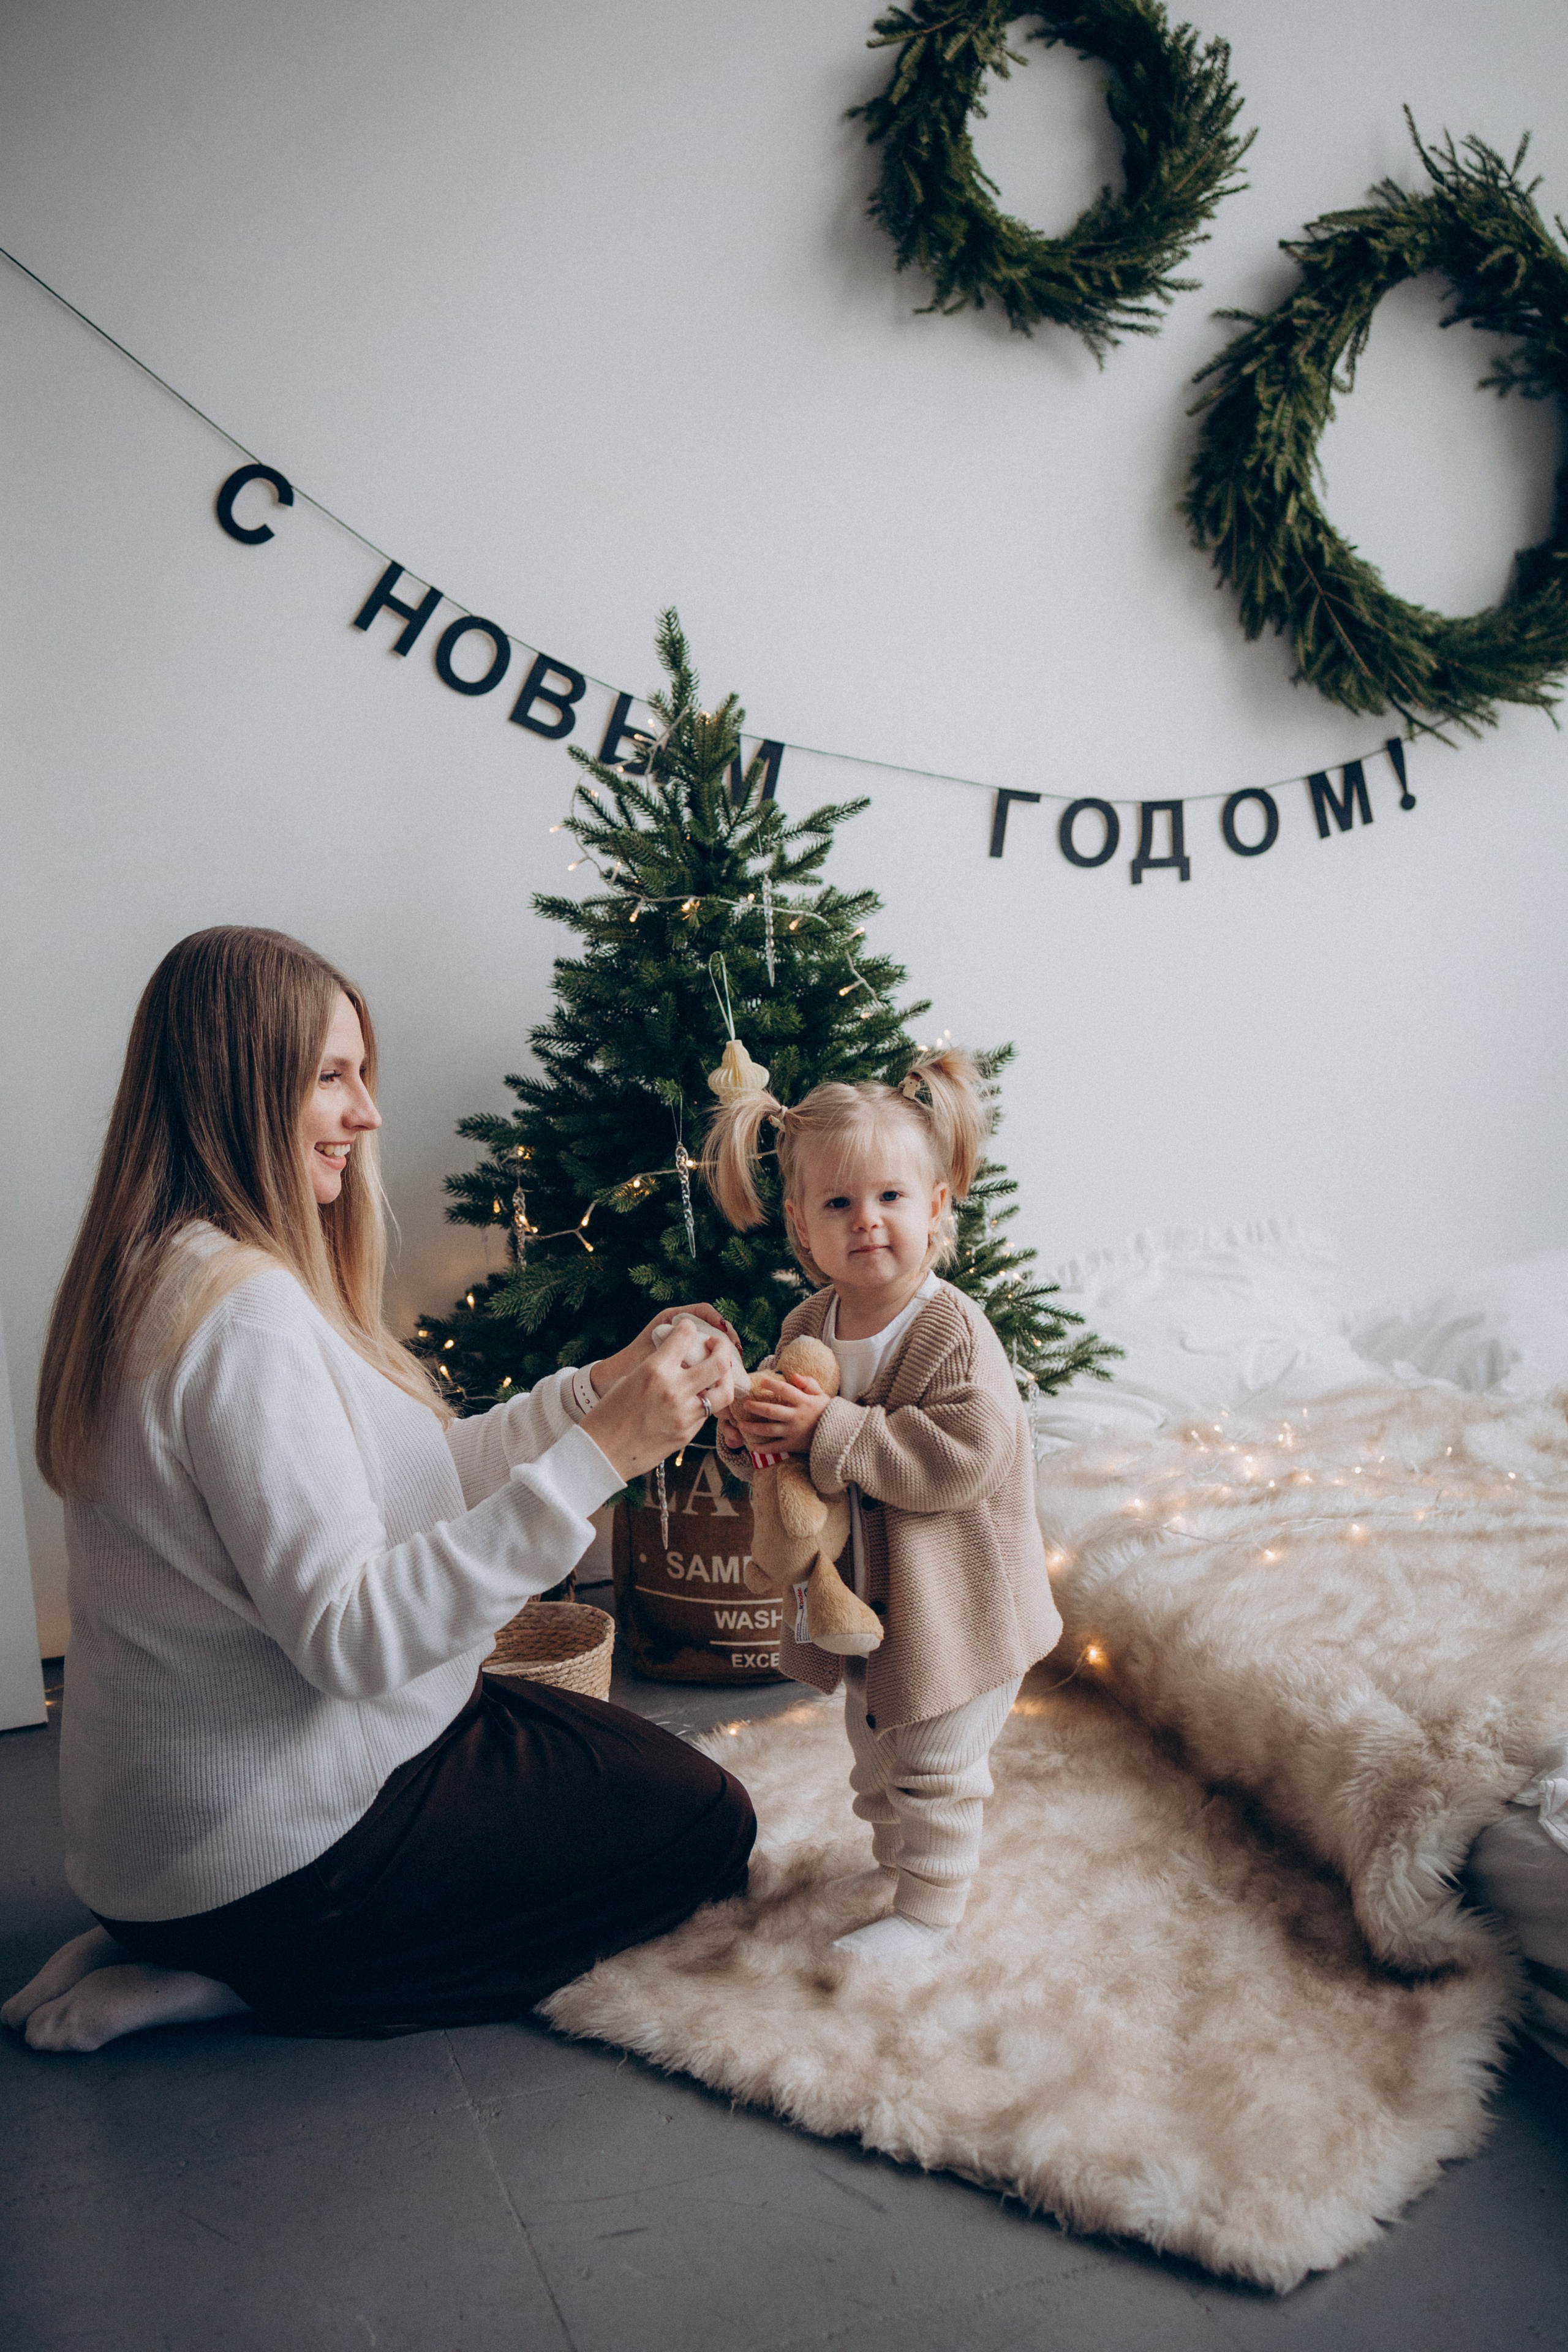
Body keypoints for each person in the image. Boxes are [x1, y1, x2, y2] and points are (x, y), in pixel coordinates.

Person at [2, 926, 751, 2052]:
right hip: (266, 1865)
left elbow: (413, 1488)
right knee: (706, 1825)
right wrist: (605, 1456)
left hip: (164, 1852)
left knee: (618, 1764)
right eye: (330, 1078)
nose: (369, 1113)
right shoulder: (244, 1319)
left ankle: (163, 1941)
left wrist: (592, 1395)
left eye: (364, 1075)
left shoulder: (168, 1269)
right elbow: (351, 1640)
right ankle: (252, 1979)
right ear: (239, 1088)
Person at [702, 1049, 1059, 1972]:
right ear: (800, 1227)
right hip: (865, 1600)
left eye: (892, 1199)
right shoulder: (807, 1330)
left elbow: (961, 1461)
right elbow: (791, 1455)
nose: (868, 1222)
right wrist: (752, 1438)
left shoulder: (952, 1332)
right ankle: (900, 1866)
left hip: (954, 1603)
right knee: (873, 1754)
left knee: (935, 1759)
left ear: (937, 1206)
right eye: (839, 1205)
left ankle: (933, 1914)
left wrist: (831, 1428)